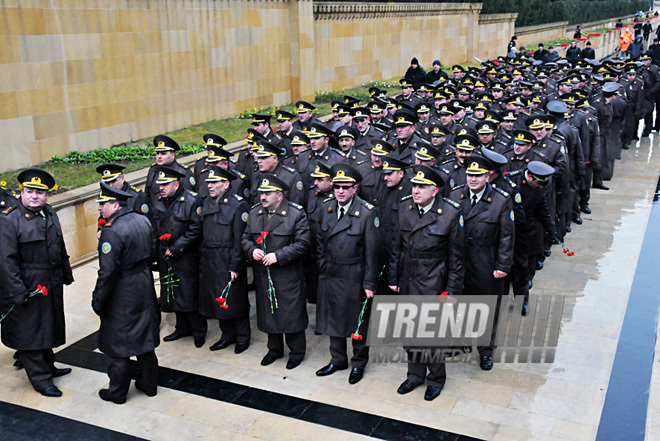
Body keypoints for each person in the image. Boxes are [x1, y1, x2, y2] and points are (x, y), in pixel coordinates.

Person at [388, 165, 464, 401]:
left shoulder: (450, 213)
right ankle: (414, 375)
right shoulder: (404, 208)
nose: (416, 190)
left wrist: (452, 291)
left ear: (435, 190)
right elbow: (395, 248)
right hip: (408, 278)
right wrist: (392, 278)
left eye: (421, 187)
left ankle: (436, 378)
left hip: (434, 280)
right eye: (414, 186)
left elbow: (457, 257)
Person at [0, 169, 74, 397]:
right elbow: (6, 261)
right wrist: (18, 291)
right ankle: (41, 380)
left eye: (40, 193)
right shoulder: (9, 220)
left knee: (48, 326)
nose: (34, 196)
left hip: (49, 281)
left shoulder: (50, 213)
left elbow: (59, 246)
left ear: (47, 196)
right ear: (21, 193)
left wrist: (66, 273)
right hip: (27, 284)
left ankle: (48, 365)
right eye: (29, 191)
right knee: (30, 332)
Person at [92, 182, 160, 404]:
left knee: (118, 345)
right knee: (144, 338)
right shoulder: (142, 220)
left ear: (115, 204)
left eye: (103, 204)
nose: (100, 208)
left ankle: (117, 392)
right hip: (143, 282)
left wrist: (98, 300)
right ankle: (149, 385)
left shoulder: (112, 231)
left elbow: (107, 272)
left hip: (123, 288)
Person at [315, 163, 380, 385]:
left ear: (355, 188)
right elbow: (320, 241)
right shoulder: (326, 208)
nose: (340, 191)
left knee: (357, 322)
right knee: (333, 318)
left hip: (355, 274)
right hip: (332, 272)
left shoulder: (367, 213)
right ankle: (338, 359)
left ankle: (358, 363)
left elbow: (373, 252)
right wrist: (323, 265)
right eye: (337, 187)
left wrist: (370, 283)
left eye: (346, 187)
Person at [449, 156, 514, 371]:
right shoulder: (455, 194)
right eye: (470, 174)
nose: (473, 179)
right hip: (459, 260)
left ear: (488, 176)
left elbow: (507, 236)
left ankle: (486, 350)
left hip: (486, 260)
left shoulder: (500, 199)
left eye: (478, 175)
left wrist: (503, 265)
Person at [242, 174, 310, 369]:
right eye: (261, 193)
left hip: (287, 275)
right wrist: (250, 250)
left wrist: (279, 256)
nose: (263, 197)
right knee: (268, 313)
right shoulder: (255, 213)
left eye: (267, 193)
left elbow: (303, 244)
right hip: (264, 274)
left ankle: (296, 351)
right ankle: (274, 349)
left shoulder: (296, 214)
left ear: (279, 196)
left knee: (290, 314)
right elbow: (245, 238)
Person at [198, 166, 251, 353]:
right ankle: (227, 335)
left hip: (228, 258)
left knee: (236, 299)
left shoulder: (238, 205)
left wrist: (236, 265)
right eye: (209, 183)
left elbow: (240, 239)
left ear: (226, 184)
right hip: (211, 259)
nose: (210, 186)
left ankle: (243, 337)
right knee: (218, 299)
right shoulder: (208, 202)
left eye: (214, 182)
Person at [150, 166, 205, 348]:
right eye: (160, 185)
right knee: (172, 292)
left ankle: (198, 331)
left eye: (165, 185)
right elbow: (154, 229)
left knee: (189, 293)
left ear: (176, 184)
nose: (161, 188)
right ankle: (181, 327)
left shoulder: (191, 200)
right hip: (165, 256)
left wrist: (176, 248)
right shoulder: (157, 201)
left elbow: (195, 229)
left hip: (186, 255)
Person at [144, 135, 196, 207]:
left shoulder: (184, 172)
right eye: (157, 153)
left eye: (163, 153)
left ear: (173, 155)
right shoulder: (153, 170)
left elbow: (189, 200)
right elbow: (147, 195)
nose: (159, 156)